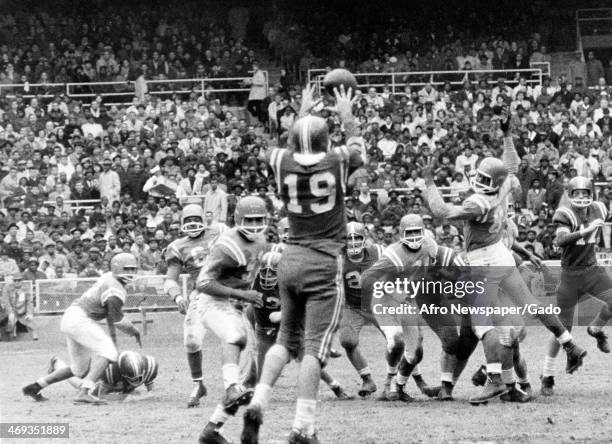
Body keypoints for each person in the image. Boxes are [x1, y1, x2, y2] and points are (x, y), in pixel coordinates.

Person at [422, 112, 586, 404]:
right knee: (530, 306)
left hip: (482, 263)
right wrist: (508, 135)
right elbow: (512, 165)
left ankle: (495, 379)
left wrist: (429, 182)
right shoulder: (505, 185)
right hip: (502, 254)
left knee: (482, 325)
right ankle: (569, 344)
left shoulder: (479, 201)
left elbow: (442, 212)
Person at [241, 84, 362, 444]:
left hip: (289, 258)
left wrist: (300, 114)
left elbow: (280, 146)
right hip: (322, 261)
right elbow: (357, 151)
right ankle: (302, 427)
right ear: (326, 142)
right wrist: (346, 114)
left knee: (284, 339)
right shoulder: (336, 160)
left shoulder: (281, 160)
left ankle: (259, 400)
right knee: (313, 351)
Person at [196, 196, 270, 444]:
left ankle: (212, 429)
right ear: (238, 219)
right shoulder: (226, 245)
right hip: (212, 302)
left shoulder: (262, 241)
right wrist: (242, 294)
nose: (256, 224)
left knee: (249, 380)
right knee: (234, 336)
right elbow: (203, 283)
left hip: (236, 306)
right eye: (250, 220)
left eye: (260, 219)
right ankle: (229, 386)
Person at [22, 253, 142, 404]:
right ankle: (84, 392)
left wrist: (113, 342)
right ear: (117, 268)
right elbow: (117, 319)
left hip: (72, 317)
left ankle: (36, 385)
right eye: (128, 269)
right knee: (109, 352)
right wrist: (134, 331)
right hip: (80, 319)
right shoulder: (115, 289)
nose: (131, 273)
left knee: (79, 369)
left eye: (133, 269)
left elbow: (111, 318)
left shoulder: (108, 277)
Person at [248, 249, 351, 400]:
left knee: (308, 360)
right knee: (263, 369)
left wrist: (283, 314)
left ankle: (335, 386)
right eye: (265, 272)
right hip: (264, 330)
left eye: (272, 272)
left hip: (288, 328)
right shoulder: (253, 281)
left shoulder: (291, 283)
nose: (268, 276)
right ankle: (255, 392)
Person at [541, 177, 612, 396]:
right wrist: (587, 230)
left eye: (585, 193)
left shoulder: (599, 207)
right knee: (562, 330)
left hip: (593, 272)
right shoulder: (565, 213)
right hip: (570, 277)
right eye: (577, 194)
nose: (582, 197)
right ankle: (547, 375)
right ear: (570, 195)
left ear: (592, 194)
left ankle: (596, 328)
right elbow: (560, 241)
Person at [163, 204, 227, 408]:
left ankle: (239, 381)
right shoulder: (177, 246)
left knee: (235, 337)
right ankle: (198, 384)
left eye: (195, 219)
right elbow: (170, 280)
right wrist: (178, 298)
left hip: (227, 290)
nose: (192, 224)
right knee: (191, 340)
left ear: (203, 219)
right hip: (201, 294)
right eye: (187, 220)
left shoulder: (220, 232)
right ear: (181, 223)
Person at [48, 351, 158, 399]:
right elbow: (98, 395)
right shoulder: (111, 371)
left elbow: (152, 392)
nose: (136, 381)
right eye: (131, 377)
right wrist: (123, 397)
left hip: (119, 381)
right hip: (103, 374)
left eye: (138, 377)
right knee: (81, 384)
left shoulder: (150, 367)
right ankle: (57, 363)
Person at [4, 273, 38, 340]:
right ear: (13, 281)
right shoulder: (7, 288)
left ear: (22, 281)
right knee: (10, 325)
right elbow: (6, 302)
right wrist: (10, 312)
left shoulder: (26, 288)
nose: (17, 282)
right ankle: (11, 335)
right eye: (15, 280)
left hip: (22, 312)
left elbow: (29, 302)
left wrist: (30, 313)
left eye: (19, 280)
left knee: (32, 324)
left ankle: (35, 337)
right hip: (11, 312)